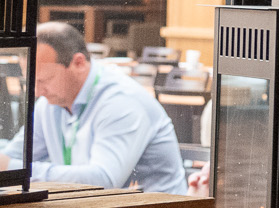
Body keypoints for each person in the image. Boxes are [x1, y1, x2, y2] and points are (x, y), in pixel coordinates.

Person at [0, 22, 184, 194]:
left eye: (45, 80)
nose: (38, 91)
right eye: (31, 81)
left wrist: (12, 168)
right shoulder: (50, 103)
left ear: (79, 63)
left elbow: (104, 181)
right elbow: (14, 156)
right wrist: (8, 164)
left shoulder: (121, 102)